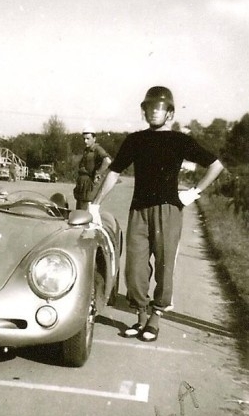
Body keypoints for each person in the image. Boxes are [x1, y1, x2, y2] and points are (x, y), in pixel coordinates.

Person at [90, 86, 224, 342]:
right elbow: (114, 172)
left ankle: (155, 317)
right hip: (139, 210)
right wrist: (95, 204)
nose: (154, 112)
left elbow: (216, 166)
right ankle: (140, 315)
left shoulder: (180, 140)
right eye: (149, 108)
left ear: (170, 113)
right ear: (144, 111)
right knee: (134, 269)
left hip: (168, 210)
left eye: (159, 108)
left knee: (164, 266)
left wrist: (193, 193)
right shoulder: (135, 140)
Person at [73, 126, 111, 210]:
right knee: (79, 211)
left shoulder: (97, 149)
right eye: (84, 139)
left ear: (94, 138)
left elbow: (107, 161)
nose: (85, 141)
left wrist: (98, 173)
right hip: (81, 185)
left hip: (88, 184)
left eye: (88, 138)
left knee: (86, 211)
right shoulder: (87, 150)